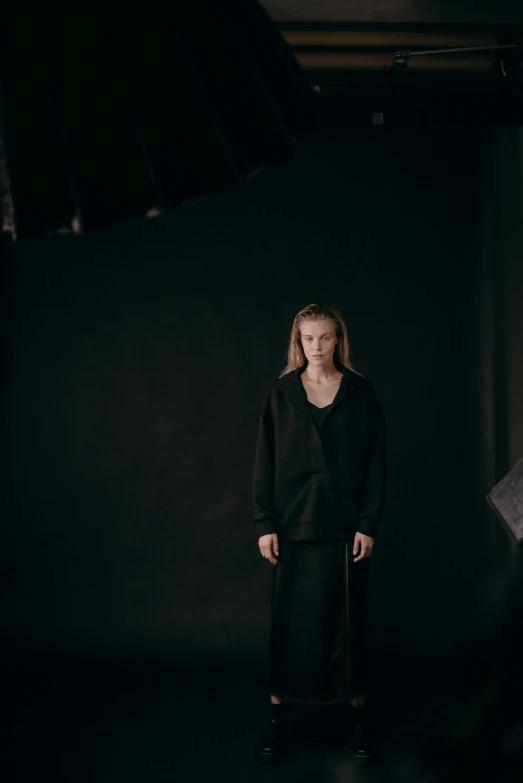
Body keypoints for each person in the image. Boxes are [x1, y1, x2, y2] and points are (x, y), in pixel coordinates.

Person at [252, 302, 387, 764]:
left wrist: (368, 523)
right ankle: (277, 719)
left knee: (349, 627)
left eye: (324, 338)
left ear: (338, 340)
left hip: (345, 527)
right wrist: (264, 523)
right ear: (298, 342)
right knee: (287, 626)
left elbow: (376, 464)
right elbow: (265, 461)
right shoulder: (281, 392)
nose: (316, 347)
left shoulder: (360, 393)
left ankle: (356, 720)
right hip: (292, 525)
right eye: (308, 339)